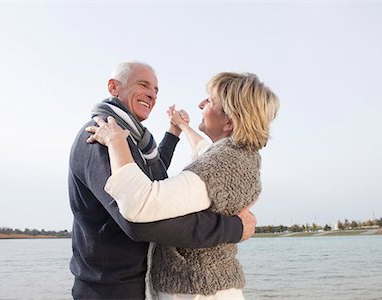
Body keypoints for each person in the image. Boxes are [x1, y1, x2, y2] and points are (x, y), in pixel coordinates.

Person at [68, 62, 257, 300]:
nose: (152, 94)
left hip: (132, 283)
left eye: (156, 89)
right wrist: (232, 227)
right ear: (114, 87)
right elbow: (137, 222)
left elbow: (153, 174)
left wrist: (174, 132)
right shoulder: (103, 136)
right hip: (108, 288)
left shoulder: (130, 139)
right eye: (143, 85)